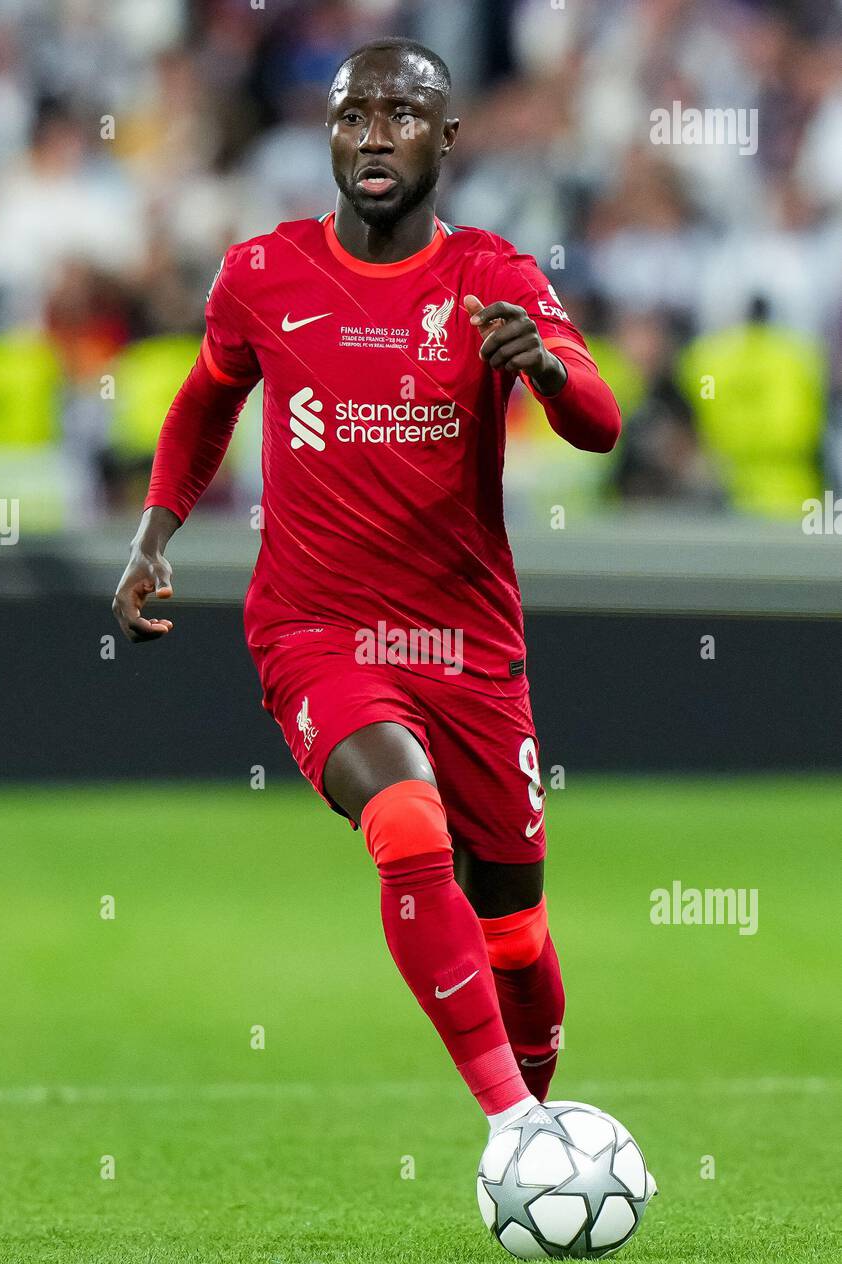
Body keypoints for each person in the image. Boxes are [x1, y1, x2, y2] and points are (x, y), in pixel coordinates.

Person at [113, 38, 620, 1135]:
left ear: (447, 138)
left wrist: (541, 366)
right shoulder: (261, 274)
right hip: (318, 628)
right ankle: (511, 1127)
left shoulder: (492, 277)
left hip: (466, 642)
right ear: (328, 137)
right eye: (352, 116)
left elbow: (598, 419)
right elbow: (206, 401)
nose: (372, 134)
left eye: (401, 114)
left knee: (516, 936)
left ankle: (534, 1122)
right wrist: (155, 534)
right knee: (405, 826)